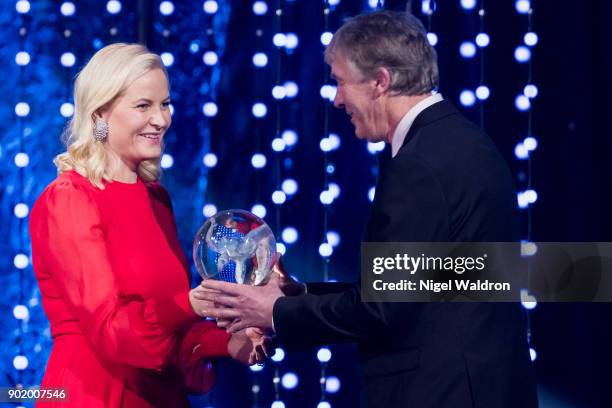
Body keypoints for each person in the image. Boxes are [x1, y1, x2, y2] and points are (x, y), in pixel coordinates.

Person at [194, 10, 538, 408]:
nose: (337, 99)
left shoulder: (421, 164)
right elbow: (422, 285)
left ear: (380, 81)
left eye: (340, 82)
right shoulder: (458, 142)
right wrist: (295, 294)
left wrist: (276, 312)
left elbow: (382, 307)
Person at [29, 43, 267, 408]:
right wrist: (190, 303)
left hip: (160, 396)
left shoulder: (155, 197)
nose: (161, 119)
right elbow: (113, 330)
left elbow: (166, 327)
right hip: (96, 395)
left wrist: (229, 343)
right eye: (143, 105)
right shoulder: (70, 199)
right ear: (100, 115)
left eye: (165, 104)